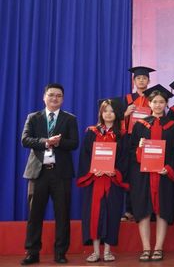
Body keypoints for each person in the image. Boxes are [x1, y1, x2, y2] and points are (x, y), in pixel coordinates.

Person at [21, 83, 79, 265]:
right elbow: (25, 140)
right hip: (38, 173)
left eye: (59, 96)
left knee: (62, 214)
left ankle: (60, 253)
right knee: (34, 215)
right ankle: (32, 252)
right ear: (44, 97)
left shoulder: (70, 119)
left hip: (61, 174)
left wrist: (58, 143)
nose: (55, 98)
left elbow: (74, 143)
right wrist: (46, 142)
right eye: (51, 95)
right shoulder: (33, 117)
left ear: (63, 99)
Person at [129, 84, 174, 262]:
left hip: (163, 174)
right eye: (155, 102)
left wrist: (169, 169)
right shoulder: (139, 125)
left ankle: (158, 248)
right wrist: (139, 147)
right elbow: (131, 151)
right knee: (143, 211)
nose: (158, 105)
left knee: (162, 210)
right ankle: (146, 248)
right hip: (143, 175)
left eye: (161, 102)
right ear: (149, 104)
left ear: (166, 104)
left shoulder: (173, 126)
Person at [76, 98, 129, 262]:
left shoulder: (122, 135)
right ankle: (95, 251)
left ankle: (107, 251)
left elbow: (125, 158)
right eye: (105, 111)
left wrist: (116, 171)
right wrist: (92, 171)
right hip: (95, 181)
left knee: (112, 214)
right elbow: (84, 157)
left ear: (117, 114)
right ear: (101, 113)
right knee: (94, 214)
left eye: (112, 111)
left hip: (113, 182)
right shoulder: (91, 133)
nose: (108, 114)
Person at [122, 66, 155, 222]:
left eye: (144, 78)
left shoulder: (154, 98)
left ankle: (150, 209)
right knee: (131, 175)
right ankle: (130, 209)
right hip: (131, 140)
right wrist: (125, 113)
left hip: (149, 140)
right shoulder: (128, 99)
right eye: (138, 78)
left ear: (149, 80)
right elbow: (116, 120)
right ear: (134, 81)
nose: (141, 80)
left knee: (148, 176)